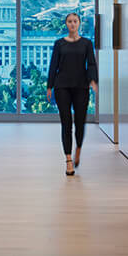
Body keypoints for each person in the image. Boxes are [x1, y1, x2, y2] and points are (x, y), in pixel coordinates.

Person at [46, 13, 98, 176]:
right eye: (69, 22)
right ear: (66, 24)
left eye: (75, 21)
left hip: (81, 86)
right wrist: (50, 86)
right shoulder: (59, 44)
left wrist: (93, 81)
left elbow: (91, 63)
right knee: (66, 123)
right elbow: (53, 65)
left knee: (80, 123)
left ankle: (78, 149)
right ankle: (68, 160)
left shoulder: (87, 44)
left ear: (79, 24)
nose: (72, 24)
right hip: (62, 86)